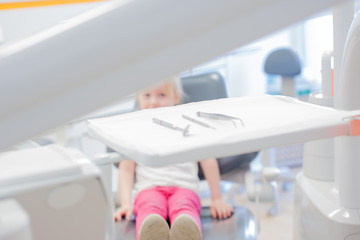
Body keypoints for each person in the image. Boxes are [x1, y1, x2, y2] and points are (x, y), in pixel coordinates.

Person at [113, 77, 234, 240]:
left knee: (185, 208)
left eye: (161, 95)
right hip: (150, 188)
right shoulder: (135, 129)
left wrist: (217, 199)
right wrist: (126, 203)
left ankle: (187, 231)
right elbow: (126, 168)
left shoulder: (189, 125)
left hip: (184, 187)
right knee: (149, 208)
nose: (153, 102)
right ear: (138, 98)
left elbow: (208, 160)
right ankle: (150, 232)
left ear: (175, 97)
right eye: (146, 95)